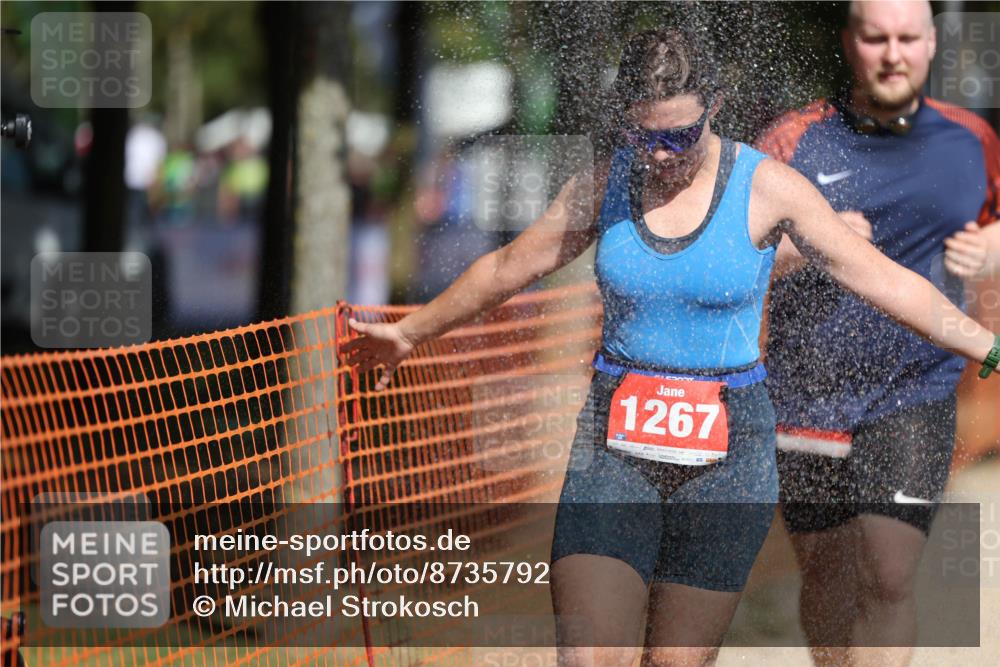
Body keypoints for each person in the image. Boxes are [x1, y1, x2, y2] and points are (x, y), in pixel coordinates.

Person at [341, 27, 1000, 667]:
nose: (660, 155)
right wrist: (409, 331)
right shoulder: (607, 185)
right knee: (589, 652)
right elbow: (506, 268)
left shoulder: (767, 186)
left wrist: (989, 347)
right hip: (613, 451)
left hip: (727, 463)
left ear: (714, 107)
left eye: (680, 135)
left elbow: (887, 282)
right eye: (643, 134)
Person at [755, 2, 1000, 664]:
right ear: (849, 43)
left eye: (907, 38)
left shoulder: (971, 138)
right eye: (876, 37)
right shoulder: (793, 140)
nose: (893, 53)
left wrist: (992, 248)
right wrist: (806, 246)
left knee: (888, 572)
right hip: (807, 393)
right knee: (828, 574)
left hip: (914, 389)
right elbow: (728, 249)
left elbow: (998, 223)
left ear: (929, 45)